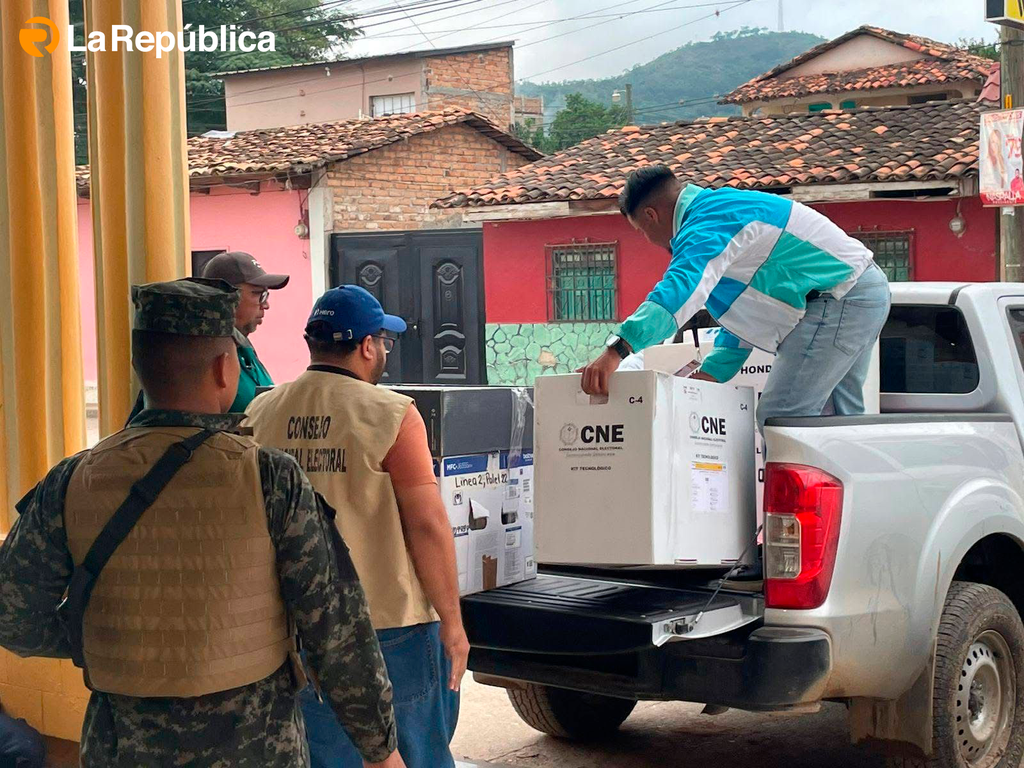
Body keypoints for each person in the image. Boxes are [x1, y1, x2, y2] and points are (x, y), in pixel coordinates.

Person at [0, 278, 404, 768]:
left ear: (138, 368)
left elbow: (12, 618)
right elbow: (335, 629)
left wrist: (110, 636)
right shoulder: (270, 478)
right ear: (223, 368)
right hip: (256, 746)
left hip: (121, 746)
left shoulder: (72, 480)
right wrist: (379, 750)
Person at [244, 285, 467, 768]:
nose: (384, 350)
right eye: (384, 341)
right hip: (387, 628)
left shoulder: (261, 412)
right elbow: (427, 525)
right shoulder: (391, 414)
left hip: (292, 626)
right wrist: (453, 624)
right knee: (412, 750)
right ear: (367, 345)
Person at [581, 165, 890, 433]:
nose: (647, 240)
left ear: (651, 215)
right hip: (859, 292)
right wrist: (711, 373)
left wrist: (617, 349)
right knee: (833, 417)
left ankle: (790, 504)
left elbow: (679, 289)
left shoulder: (705, 223)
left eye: (640, 231)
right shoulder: (719, 211)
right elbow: (745, 316)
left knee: (781, 420)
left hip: (842, 297)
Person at [125, 251, 286, 423]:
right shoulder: (192, 354)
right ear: (226, 297)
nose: (265, 304)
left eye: (266, 295)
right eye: (257, 293)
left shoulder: (246, 350)